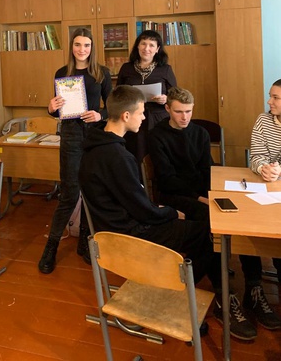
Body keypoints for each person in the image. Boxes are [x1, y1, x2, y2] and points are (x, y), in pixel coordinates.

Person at [79, 86, 257, 342]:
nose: (144, 117)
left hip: (109, 232)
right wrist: (172, 213)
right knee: (209, 235)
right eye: (141, 112)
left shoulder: (94, 147)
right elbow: (142, 210)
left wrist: (160, 210)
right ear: (126, 116)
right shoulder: (117, 156)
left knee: (200, 229)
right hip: (129, 235)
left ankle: (194, 289)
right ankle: (180, 292)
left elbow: (135, 203)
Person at [149, 86, 280, 337]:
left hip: (200, 193)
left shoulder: (198, 133)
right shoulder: (157, 136)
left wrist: (218, 192)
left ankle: (253, 285)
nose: (185, 117)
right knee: (211, 222)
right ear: (167, 109)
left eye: (189, 111)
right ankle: (223, 293)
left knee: (240, 214)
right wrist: (203, 198)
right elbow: (167, 180)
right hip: (175, 195)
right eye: (179, 112)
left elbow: (207, 169)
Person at [38, 27, 112, 274]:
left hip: (94, 135)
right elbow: (59, 110)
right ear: (72, 47)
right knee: (69, 193)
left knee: (91, 190)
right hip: (70, 134)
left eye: (86, 45)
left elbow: (112, 106)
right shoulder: (62, 73)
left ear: (92, 47)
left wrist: (100, 114)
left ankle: (85, 240)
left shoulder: (101, 73)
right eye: (78, 45)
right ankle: (51, 247)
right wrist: (50, 108)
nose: (82, 49)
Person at [116, 29, 176, 164]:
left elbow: (175, 96)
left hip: (158, 118)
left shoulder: (165, 69)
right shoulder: (126, 68)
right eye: (143, 44)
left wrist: (166, 99)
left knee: (159, 154)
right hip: (133, 118)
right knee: (135, 154)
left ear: (157, 49)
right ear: (138, 46)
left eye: (151, 45)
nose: (146, 48)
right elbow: (118, 93)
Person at [250, 78, 281, 283]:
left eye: (275, 97)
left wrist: (280, 170)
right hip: (266, 188)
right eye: (270, 96)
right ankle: (253, 284)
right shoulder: (263, 120)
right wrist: (264, 169)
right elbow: (256, 156)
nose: (269, 101)